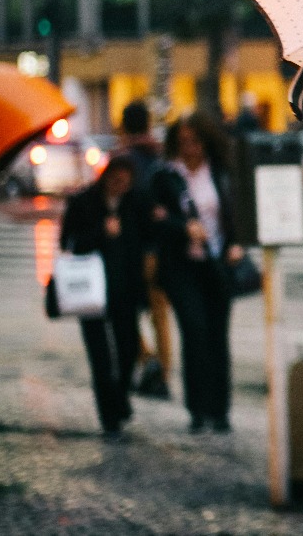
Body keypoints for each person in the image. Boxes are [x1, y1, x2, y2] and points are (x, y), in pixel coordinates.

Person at [150, 111, 243, 434]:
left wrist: (236, 244)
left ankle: (220, 411)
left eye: (195, 141)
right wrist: (182, 227)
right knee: (194, 332)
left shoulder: (219, 172)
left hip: (217, 264)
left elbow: (235, 213)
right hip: (182, 267)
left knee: (218, 336)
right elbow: (156, 219)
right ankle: (197, 409)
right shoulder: (167, 176)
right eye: (183, 141)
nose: (190, 148)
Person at [58, 155, 150, 439]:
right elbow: (67, 242)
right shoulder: (84, 201)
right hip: (91, 289)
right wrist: (101, 233)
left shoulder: (134, 203)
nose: (120, 186)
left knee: (128, 350)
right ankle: (109, 416)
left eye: (126, 181)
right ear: (107, 176)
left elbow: (143, 240)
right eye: (116, 180)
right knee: (100, 356)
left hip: (125, 289)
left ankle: (120, 398)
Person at [117, 100, 172, 399]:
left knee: (123, 310)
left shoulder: (122, 162)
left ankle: (148, 360)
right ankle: (162, 373)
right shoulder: (160, 157)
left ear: (124, 126)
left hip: (132, 249)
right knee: (159, 313)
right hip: (160, 247)